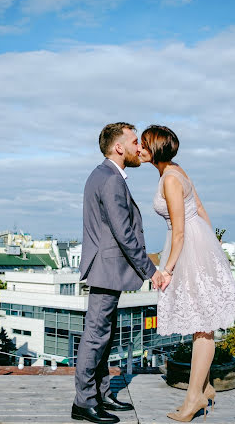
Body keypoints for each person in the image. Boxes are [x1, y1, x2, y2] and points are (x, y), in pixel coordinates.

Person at [139, 125, 235, 422]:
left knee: (202, 326)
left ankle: (193, 400)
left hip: (187, 246)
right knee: (203, 323)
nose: (139, 149)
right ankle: (206, 389)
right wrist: (212, 245)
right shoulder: (176, 170)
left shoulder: (171, 179)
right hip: (198, 244)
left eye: (144, 145)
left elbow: (179, 232)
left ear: (156, 150)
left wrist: (166, 269)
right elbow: (199, 208)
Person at [73, 122, 166, 424]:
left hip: (107, 269)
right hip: (107, 269)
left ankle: (100, 395)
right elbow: (124, 233)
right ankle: (83, 402)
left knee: (103, 336)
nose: (140, 148)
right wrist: (151, 271)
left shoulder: (104, 174)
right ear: (118, 147)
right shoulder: (111, 179)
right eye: (135, 142)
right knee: (95, 337)